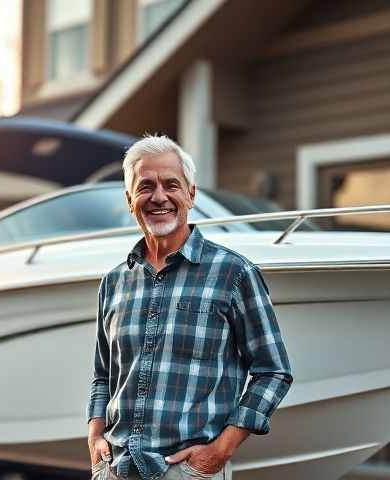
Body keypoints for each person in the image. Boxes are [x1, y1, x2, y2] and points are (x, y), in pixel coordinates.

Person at [87, 135, 292, 480]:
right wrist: (95, 435)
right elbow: (103, 375)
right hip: (115, 469)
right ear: (129, 199)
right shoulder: (114, 281)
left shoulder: (234, 273)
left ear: (191, 194)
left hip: (189, 471)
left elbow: (273, 371)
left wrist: (221, 450)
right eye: (145, 186)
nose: (159, 197)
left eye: (172, 185)